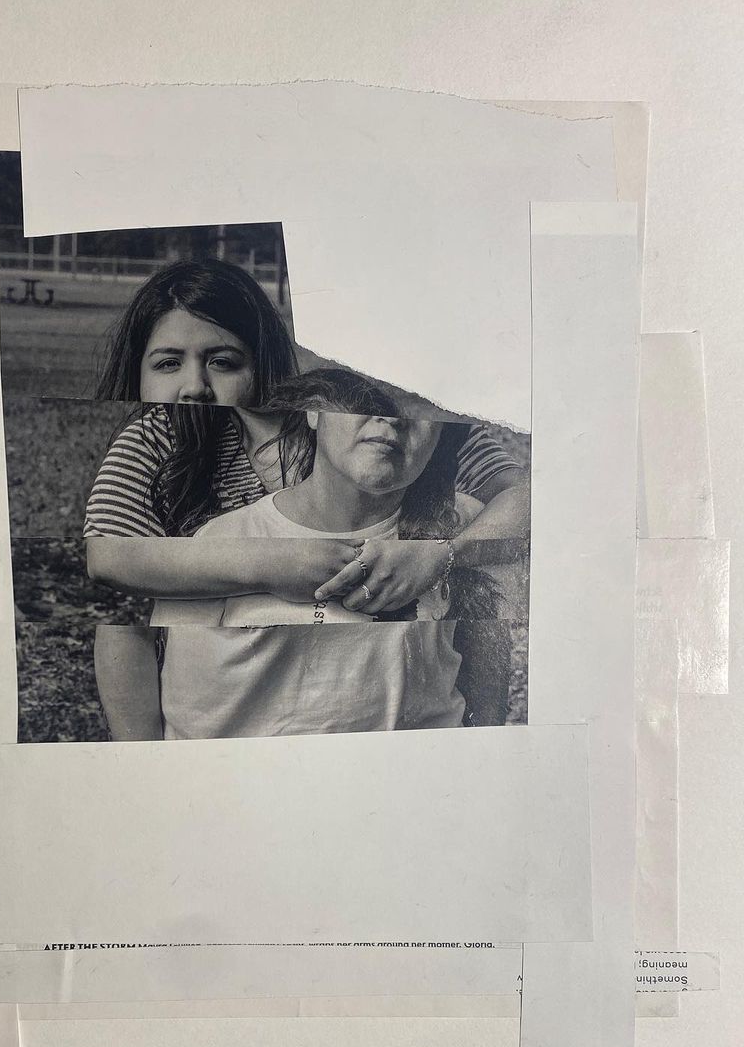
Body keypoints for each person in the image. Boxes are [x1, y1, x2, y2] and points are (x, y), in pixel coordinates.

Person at [82, 258, 527, 737]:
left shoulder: (417, 422)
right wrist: (275, 563)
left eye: (222, 361)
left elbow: (526, 499)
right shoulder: (156, 439)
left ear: (261, 360)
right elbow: (110, 561)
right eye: (168, 363)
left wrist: (442, 555)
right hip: (222, 689)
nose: (194, 386)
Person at [153, 365, 500, 738]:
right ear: (314, 413)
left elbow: (487, 667)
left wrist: (444, 554)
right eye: (363, 397)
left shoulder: (466, 525)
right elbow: (188, 709)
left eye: (421, 406)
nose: (392, 418)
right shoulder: (226, 538)